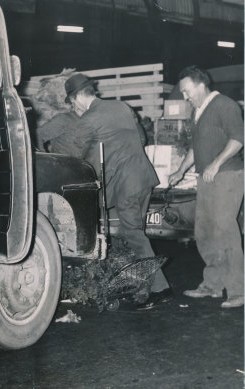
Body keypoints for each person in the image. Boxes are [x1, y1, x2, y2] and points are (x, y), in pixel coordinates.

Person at [64, 74, 172, 310]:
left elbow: (74, 155)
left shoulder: (89, 118)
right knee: (136, 232)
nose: (74, 107)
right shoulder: (121, 106)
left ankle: (160, 289)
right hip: (143, 177)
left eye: (72, 103)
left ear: (77, 98)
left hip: (127, 184)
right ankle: (143, 287)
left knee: (133, 233)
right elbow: (141, 137)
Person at [169, 65, 244, 309]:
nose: (184, 97)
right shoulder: (197, 111)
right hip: (207, 178)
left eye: (187, 91)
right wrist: (181, 170)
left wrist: (215, 164)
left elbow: (238, 139)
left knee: (224, 230)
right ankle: (213, 284)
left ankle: (238, 289)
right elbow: (195, 146)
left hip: (228, 176)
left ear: (201, 85)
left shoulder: (225, 105)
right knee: (204, 231)